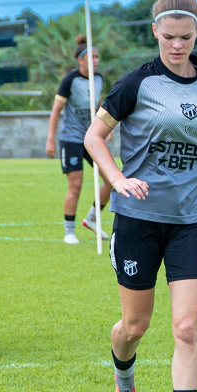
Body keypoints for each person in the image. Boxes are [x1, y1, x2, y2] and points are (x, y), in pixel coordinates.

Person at [83, 0, 197, 392]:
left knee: (187, 326)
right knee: (135, 326)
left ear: (196, 34)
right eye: (168, 36)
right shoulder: (137, 82)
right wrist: (117, 181)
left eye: (185, 38)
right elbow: (95, 136)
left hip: (192, 219)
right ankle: (124, 380)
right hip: (139, 220)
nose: (177, 45)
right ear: (155, 30)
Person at [45, 35, 114, 244]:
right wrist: (50, 139)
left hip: (92, 138)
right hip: (71, 139)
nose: (95, 60)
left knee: (112, 179)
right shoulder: (70, 80)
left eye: (96, 57)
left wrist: (106, 129)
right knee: (76, 185)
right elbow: (56, 110)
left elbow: (98, 107)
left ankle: (92, 218)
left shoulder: (99, 79)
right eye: (90, 57)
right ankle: (69, 231)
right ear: (79, 59)